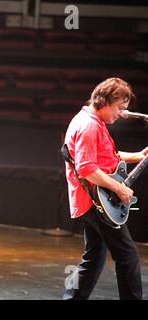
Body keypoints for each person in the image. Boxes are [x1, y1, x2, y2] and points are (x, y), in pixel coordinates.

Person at [63, 77, 148, 300]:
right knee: (127, 256)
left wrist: (138, 156)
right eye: (119, 108)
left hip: (94, 200)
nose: (121, 114)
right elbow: (87, 168)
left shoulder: (93, 121)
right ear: (105, 101)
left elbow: (108, 157)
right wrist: (118, 188)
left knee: (93, 259)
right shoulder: (89, 126)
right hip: (96, 201)